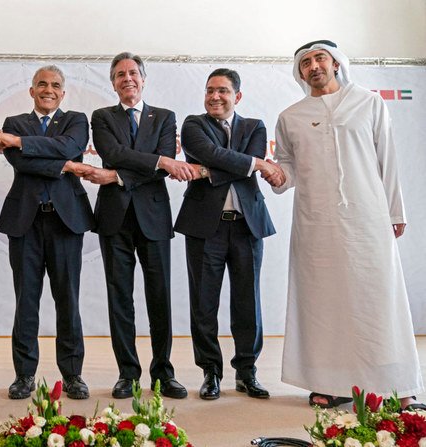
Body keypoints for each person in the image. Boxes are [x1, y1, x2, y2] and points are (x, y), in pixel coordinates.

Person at [273, 39, 425, 410]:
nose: (313, 66)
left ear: (336, 63)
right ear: (300, 72)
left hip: (367, 219)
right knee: (323, 304)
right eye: (305, 62)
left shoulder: (369, 102)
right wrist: (277, 176)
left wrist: (395, 211)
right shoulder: (290, 116)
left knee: (379, 301)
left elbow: (386, 158)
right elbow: (289, 170)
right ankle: (329, 383)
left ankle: (399, 387)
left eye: (319, 58)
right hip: (316, 223)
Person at [82, 52, 197, 399]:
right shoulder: (101, 117)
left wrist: (117, 176)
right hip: (114, 219)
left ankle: (163, 371)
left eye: (133, 73)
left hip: (154, 218)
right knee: (121, 299)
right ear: (113, 82)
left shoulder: (164, 117)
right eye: (120, 75)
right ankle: (127, 373)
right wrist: (159, 160)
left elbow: (157, 169)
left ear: (143, 79)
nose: (127, 79)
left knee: (159, 298)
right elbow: (114, 151)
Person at [175, 68, 281, 401]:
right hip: (206, 226)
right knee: (204, 303)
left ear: (238, 96)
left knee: (247, 301)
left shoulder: (255, 126)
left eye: (222, 90)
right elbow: (214, 154)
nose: (215, 96)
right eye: (209, 90)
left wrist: (209, 171)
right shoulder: (193, 125)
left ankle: (246, 371)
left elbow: (221, 162)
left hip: (247, 225)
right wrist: (252, 165)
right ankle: (211, 372)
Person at [0, 66, 95, 400]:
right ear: (32, 91)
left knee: (68, 299)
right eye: (42, 84)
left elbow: (70, 145)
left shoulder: (77, 120)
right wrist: (65, 166)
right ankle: (24, 375)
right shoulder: (13, 123)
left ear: (63, 93)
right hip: (25, 222)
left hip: (66, 222)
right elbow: (22, 163)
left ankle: (73, 375)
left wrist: (28, 145)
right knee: (27, 301)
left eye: (55, 85)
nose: (48, 89)